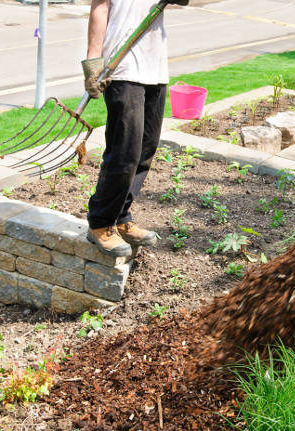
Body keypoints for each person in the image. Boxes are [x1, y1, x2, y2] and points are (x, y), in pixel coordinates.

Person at [81, 0, 176, 256]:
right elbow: (100, 7)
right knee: (125, 152)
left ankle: (120, 215)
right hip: (122, 68)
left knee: (146, 148)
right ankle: (100, 222)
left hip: (155, 66)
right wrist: (93, 61)